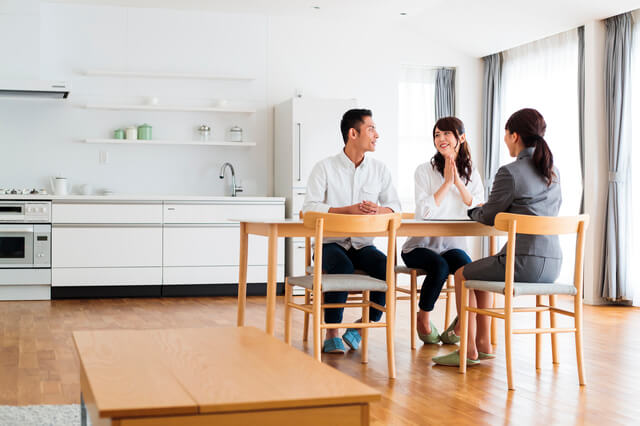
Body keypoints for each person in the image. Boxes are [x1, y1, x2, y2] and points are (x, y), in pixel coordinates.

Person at [433, 108, 562, 366]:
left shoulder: (510, 172)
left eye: (506, 134)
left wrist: (473, 211)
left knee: (462, 274)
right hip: (553, 266)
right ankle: (483, 344)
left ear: (515, 136)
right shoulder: (553, 171)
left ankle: (468, 351)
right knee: (480, 272)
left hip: (522, 264)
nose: (504, 139)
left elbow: (489, 215)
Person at [303, 108, 401, 354]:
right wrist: (348, 210)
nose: (377, 135)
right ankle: (332, 332)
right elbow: (309, 208)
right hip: (329, 245)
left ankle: (360, 328)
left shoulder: (380, 170)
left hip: (362, 244)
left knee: (387, 267)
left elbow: (395, 207)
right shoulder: (324, 167)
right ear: (353, 133)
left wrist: (378, 210)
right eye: (371, 129)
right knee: (342, 266)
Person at [401, 116, 484, 344]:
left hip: (452, 245)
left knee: (468, 269)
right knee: (440, 266)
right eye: (437, 134)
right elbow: (425, 212)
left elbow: (477, 207)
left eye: (447, 133)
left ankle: (462, 325)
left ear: (461, 138)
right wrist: (447, 183)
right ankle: (423, 318)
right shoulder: (423, 171)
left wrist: (457, 182)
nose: (441, 138)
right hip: (419, 246)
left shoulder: (472, 173)